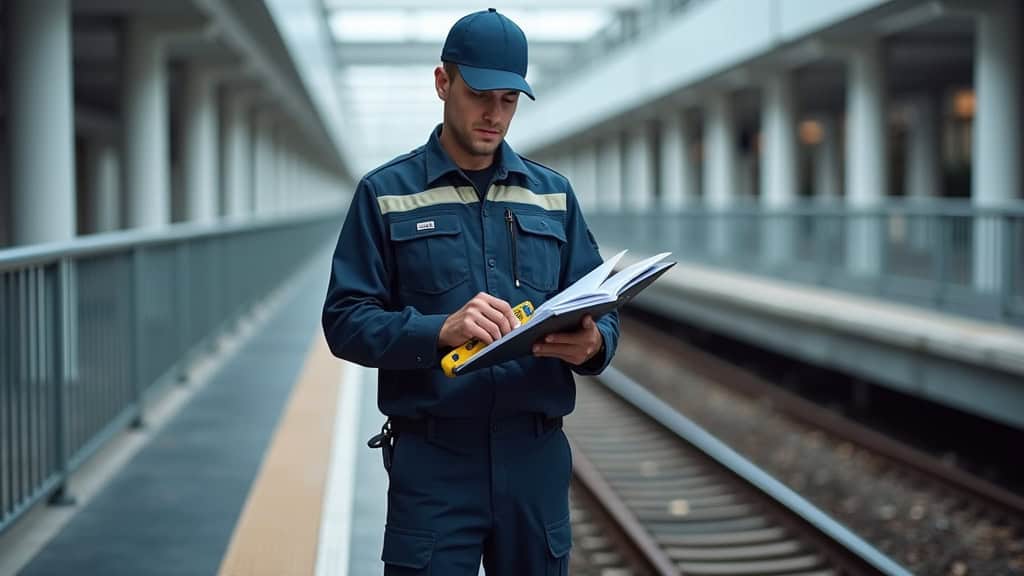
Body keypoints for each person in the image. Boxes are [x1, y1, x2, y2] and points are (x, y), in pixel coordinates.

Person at [322, 8, 619, 575]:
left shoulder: (553, 195)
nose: (495, 114)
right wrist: (438, 330)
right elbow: (345, 319)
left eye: (509, 100)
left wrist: (595, 345)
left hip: (534, 460)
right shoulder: (385, 193)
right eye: (482, 94)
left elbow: (598, 305)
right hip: (433, 464)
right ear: (443, 82)